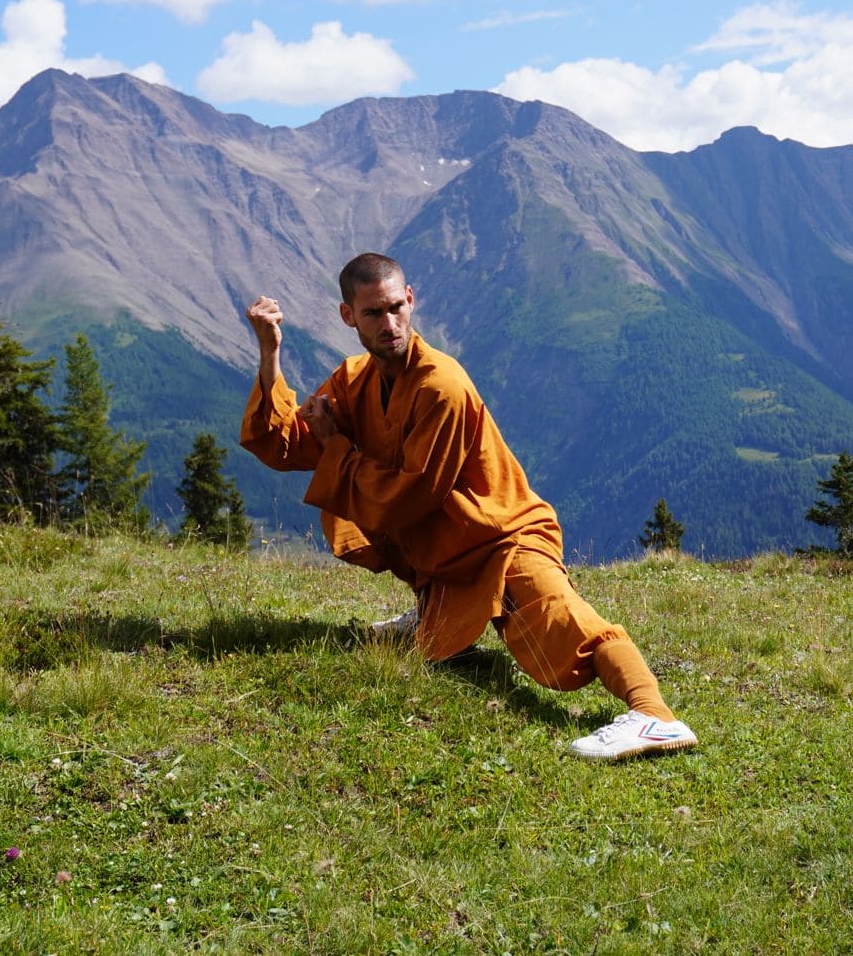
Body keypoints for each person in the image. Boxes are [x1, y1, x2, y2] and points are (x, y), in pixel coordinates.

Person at [240, 253, 697, 761]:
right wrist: (270, 353)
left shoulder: (442, 384)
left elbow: (408, 497)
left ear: (411, 300)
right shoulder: (353, 380)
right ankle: (428, 610)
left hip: (503, 536)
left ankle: (654, 716)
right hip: (444, 553)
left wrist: (337, 450)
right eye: (373, 313)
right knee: (433, 648)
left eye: (396, 307)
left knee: (564, 621)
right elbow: (284, 444)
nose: (389, 324)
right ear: (348, 316)